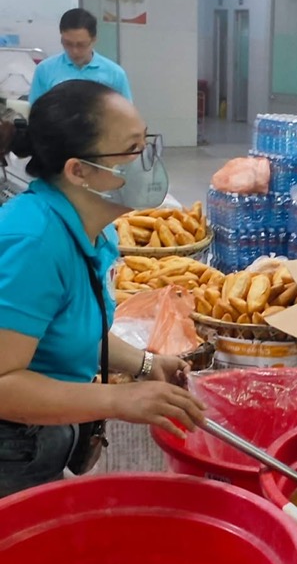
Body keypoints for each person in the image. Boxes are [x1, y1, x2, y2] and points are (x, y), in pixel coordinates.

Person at [0, 79, 204, 496]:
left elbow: (69, 329)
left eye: (147, 144)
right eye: (132, 150)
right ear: (79, 171)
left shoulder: (94, 230)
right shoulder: (33, 242)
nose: (146, 161)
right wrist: (117, 400)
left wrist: (145, 364)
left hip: (47, 436)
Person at [28, 8, 133, 105]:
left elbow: (127, 115)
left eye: (81, 45)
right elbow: (34, 111)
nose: (75, 51)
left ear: (94, 39)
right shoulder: (45, 70)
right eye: (68, 44)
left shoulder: (115, 74)